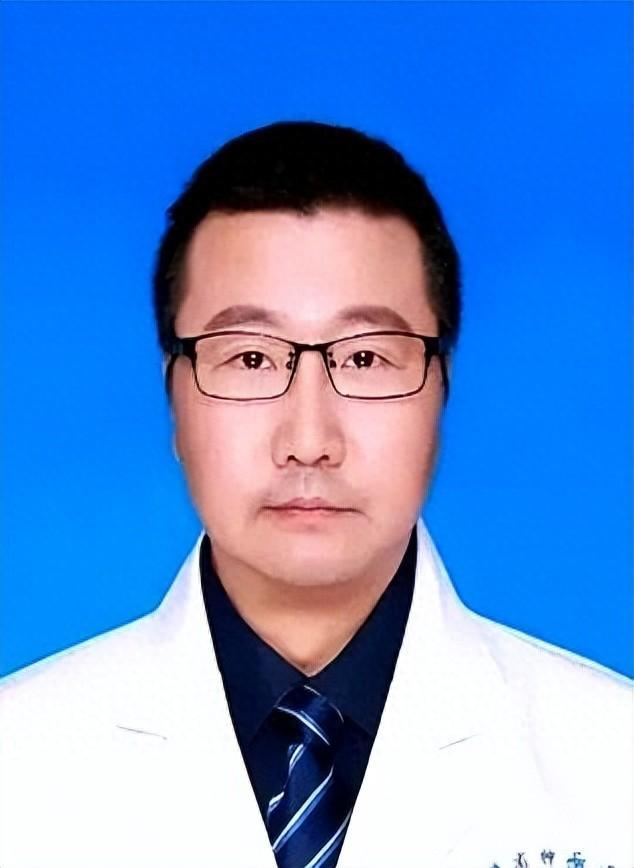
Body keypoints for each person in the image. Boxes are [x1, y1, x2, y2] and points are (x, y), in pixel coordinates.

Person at [0, 121, 631, 868]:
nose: (308, 439)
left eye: (364, 358)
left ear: (441, 391)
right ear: (174, 398)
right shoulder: (19, 761)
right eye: (250, 358)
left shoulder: (611, 761)